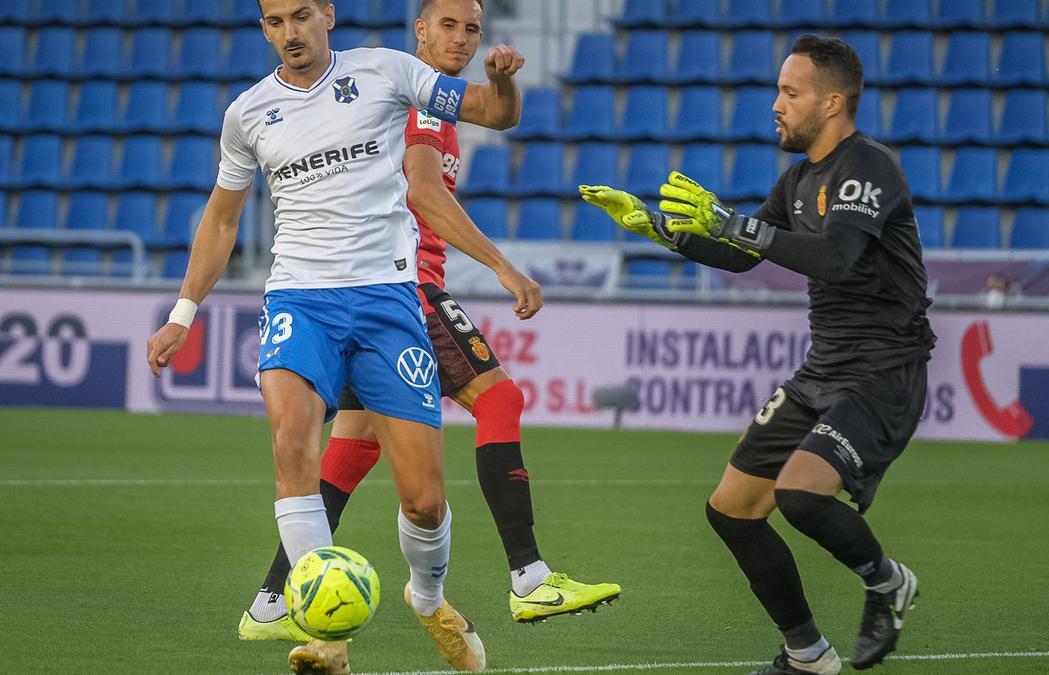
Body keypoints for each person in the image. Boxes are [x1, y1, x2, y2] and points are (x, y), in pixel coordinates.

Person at [146, 1, 532, 672]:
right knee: (294, 444)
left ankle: (429, 596)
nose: (289, 32)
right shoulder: (247, 114)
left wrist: (501, 80)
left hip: (387, 301)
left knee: (424, 496)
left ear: (327, 14)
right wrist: (183, 312)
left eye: (301, 15)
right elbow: (221, 220)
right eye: (273, 21)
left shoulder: (387, 70)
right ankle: (324, 632)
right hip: (298, 300)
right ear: (264, 28)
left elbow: (495, 113)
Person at [237, 0, 620, 643]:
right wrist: (503, 266)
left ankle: (273, 600)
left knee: (351, 450)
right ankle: (530, 578)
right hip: (402, 290)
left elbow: (492, 116)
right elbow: (421, 190)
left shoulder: (416, 96)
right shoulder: (408, 94)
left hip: (376, 291)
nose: (462, 39)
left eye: (472, 28)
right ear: (420, 30)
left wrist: (501, 84)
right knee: (500, 399)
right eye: (448, 25)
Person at [580, 35, 936, 674]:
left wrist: (732, 222)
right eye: (777, 90)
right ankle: (807, 655)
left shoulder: (869, 167)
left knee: (800, 495)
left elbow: (835, 256)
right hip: (822, 370)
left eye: (789, 93)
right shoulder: (799, 178)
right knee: (732, 511)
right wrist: (659, 229)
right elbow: (743, 252)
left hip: (884, 372)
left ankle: (887, 582)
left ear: (831, 103)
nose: (776, 104)